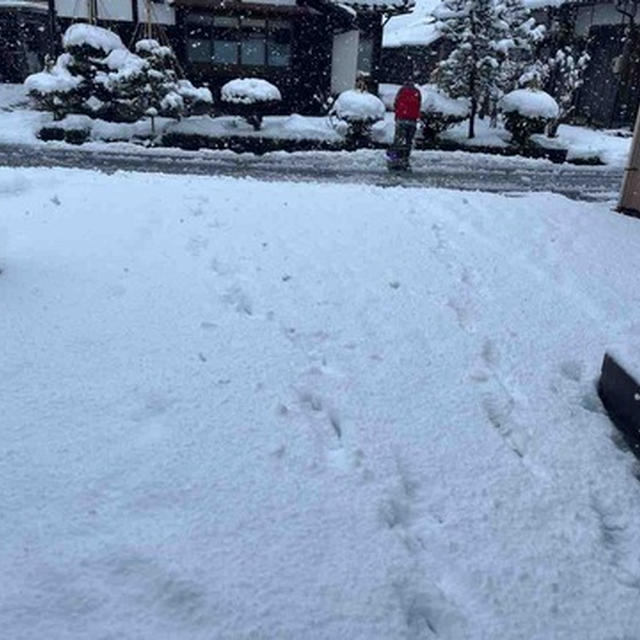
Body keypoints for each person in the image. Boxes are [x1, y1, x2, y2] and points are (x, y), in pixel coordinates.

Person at [388, 80, 421, 171]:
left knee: (399, 140)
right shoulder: (417, 92)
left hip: (401, 119)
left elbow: (396, 103)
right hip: (412, 121)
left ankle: (394, 159)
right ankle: (405, 159)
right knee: (408, 141)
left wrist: (398, 113)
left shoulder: (401, 91)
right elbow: (419, 105)